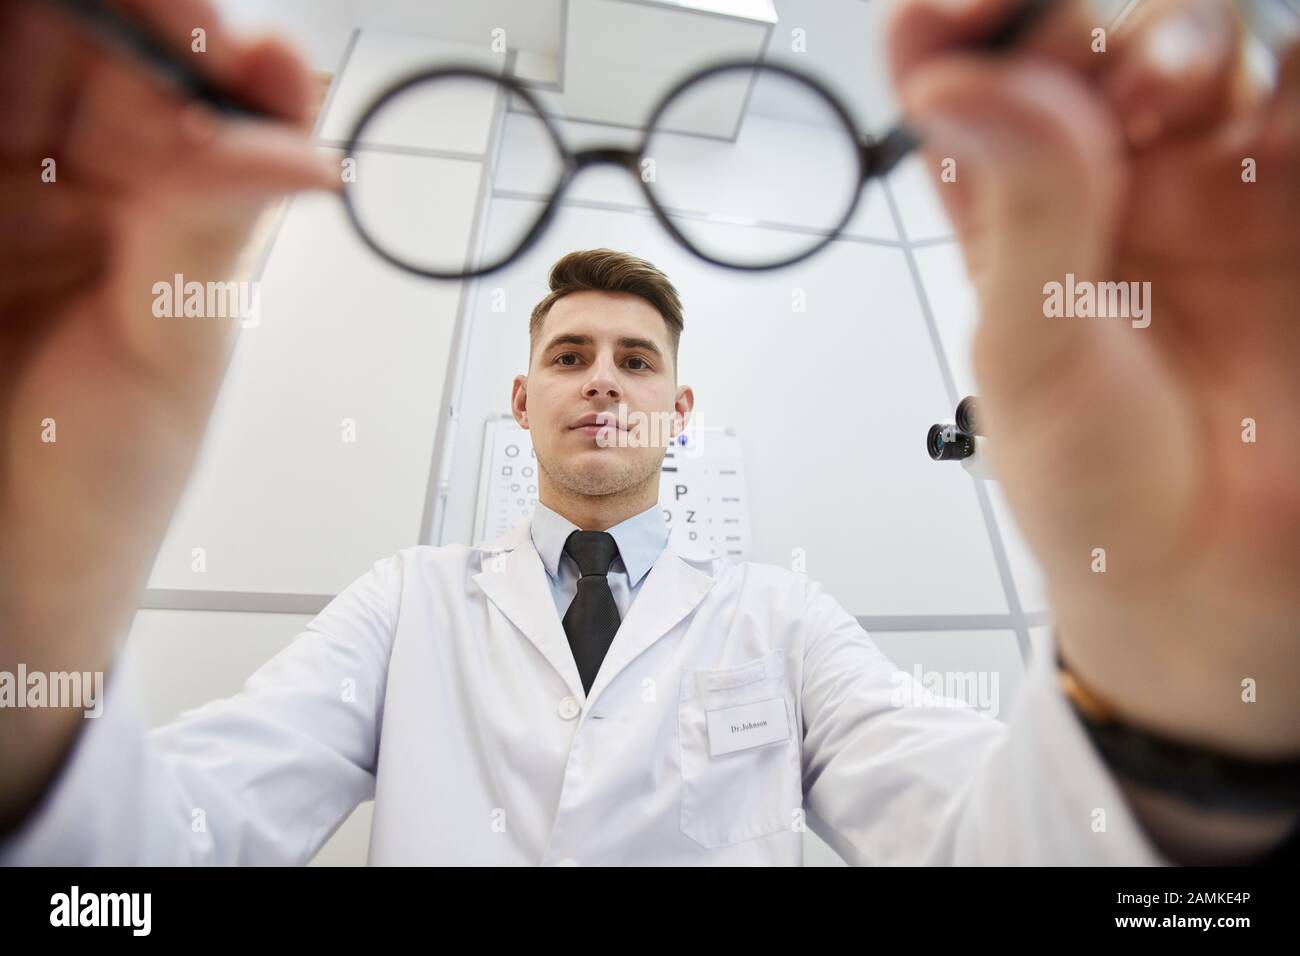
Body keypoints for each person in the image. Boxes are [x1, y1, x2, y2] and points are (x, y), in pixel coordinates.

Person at [1, 0, 1297, 864]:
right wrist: (25, 642)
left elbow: (980, 841)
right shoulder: (405, 609)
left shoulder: (782, 625)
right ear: (524, 402)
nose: (601, 382)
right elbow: (173, 844)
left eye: (637, 361)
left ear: (684, 409)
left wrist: (1185, 709)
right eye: (568, 356)